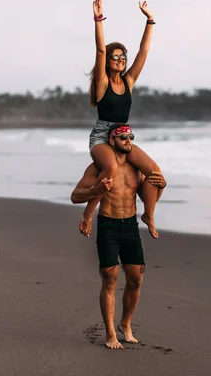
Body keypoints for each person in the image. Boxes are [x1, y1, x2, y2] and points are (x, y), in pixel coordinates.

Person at [71, 124, 166, 350]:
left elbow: (146, 196)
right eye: (123, 137)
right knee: (110, 280)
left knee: (136, 279)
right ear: (112, 141)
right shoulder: (98, 168)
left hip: (130, 226)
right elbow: (75, 196)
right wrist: (96, 190)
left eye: (131, 136)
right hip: (108, 226)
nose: (128, 140)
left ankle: (126, 323)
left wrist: (161, 187)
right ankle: (110, 333)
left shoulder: (136, 169)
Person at [80, 0, 162, 240]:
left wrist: (150, 20)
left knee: (154, 172)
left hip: (123, 134)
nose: (121, 60)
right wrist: (98, 19)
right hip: (102, 136)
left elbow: (144, 51)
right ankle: (88, 213)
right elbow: (99, 50)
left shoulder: (128, 81)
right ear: (108, 62)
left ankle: (148, 214)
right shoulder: (103, 83)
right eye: (116, 57)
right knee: (112, 167)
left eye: (122, 56)